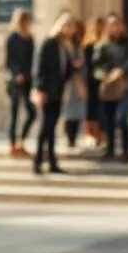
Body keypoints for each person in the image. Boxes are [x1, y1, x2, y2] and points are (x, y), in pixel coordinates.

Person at [93, 13, 128, 163]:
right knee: (108, 119)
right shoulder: (102, 44)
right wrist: (103, 75)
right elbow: (96, 65)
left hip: (125, 85)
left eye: (117, 24)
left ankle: (126, 151)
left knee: (121, 117)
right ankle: (110, 150)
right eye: (111, 24)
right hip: (108, 87)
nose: (115, 27)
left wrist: (121, 70)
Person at [31, 13, 75, 175]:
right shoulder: (48, 43)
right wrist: (39, 89)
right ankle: (37, 161)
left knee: (52, 127)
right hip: (46, 92)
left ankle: (52, 162)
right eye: (67, 27)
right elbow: (38, 68)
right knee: (44, 127)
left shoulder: (64, 46)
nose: (70, 31)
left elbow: (66, 71)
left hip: (58, 92)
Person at [4, 9, 36, 158]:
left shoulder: (30, 38)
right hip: (14, 81)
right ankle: (12, 145)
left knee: (32, 113)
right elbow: (9, 61)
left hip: (28, 80)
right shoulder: (12, 38)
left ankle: (21, 141)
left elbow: (32, 60)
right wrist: (17, 74)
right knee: (14, 113)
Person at [81, 17, 107, 149]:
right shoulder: (87, 45)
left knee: (102, 109)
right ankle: (92, 134)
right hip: (90, 81)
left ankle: (102, 135)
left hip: (103, 81)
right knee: (91, 109)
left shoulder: (106, 44)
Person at [62, 19, 88, 149]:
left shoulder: (78, 44)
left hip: (79, 79)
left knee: (78, 110)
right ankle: (69, 137)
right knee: (68, 111)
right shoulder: (62, 44)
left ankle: (74, 137)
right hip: (68, 81)